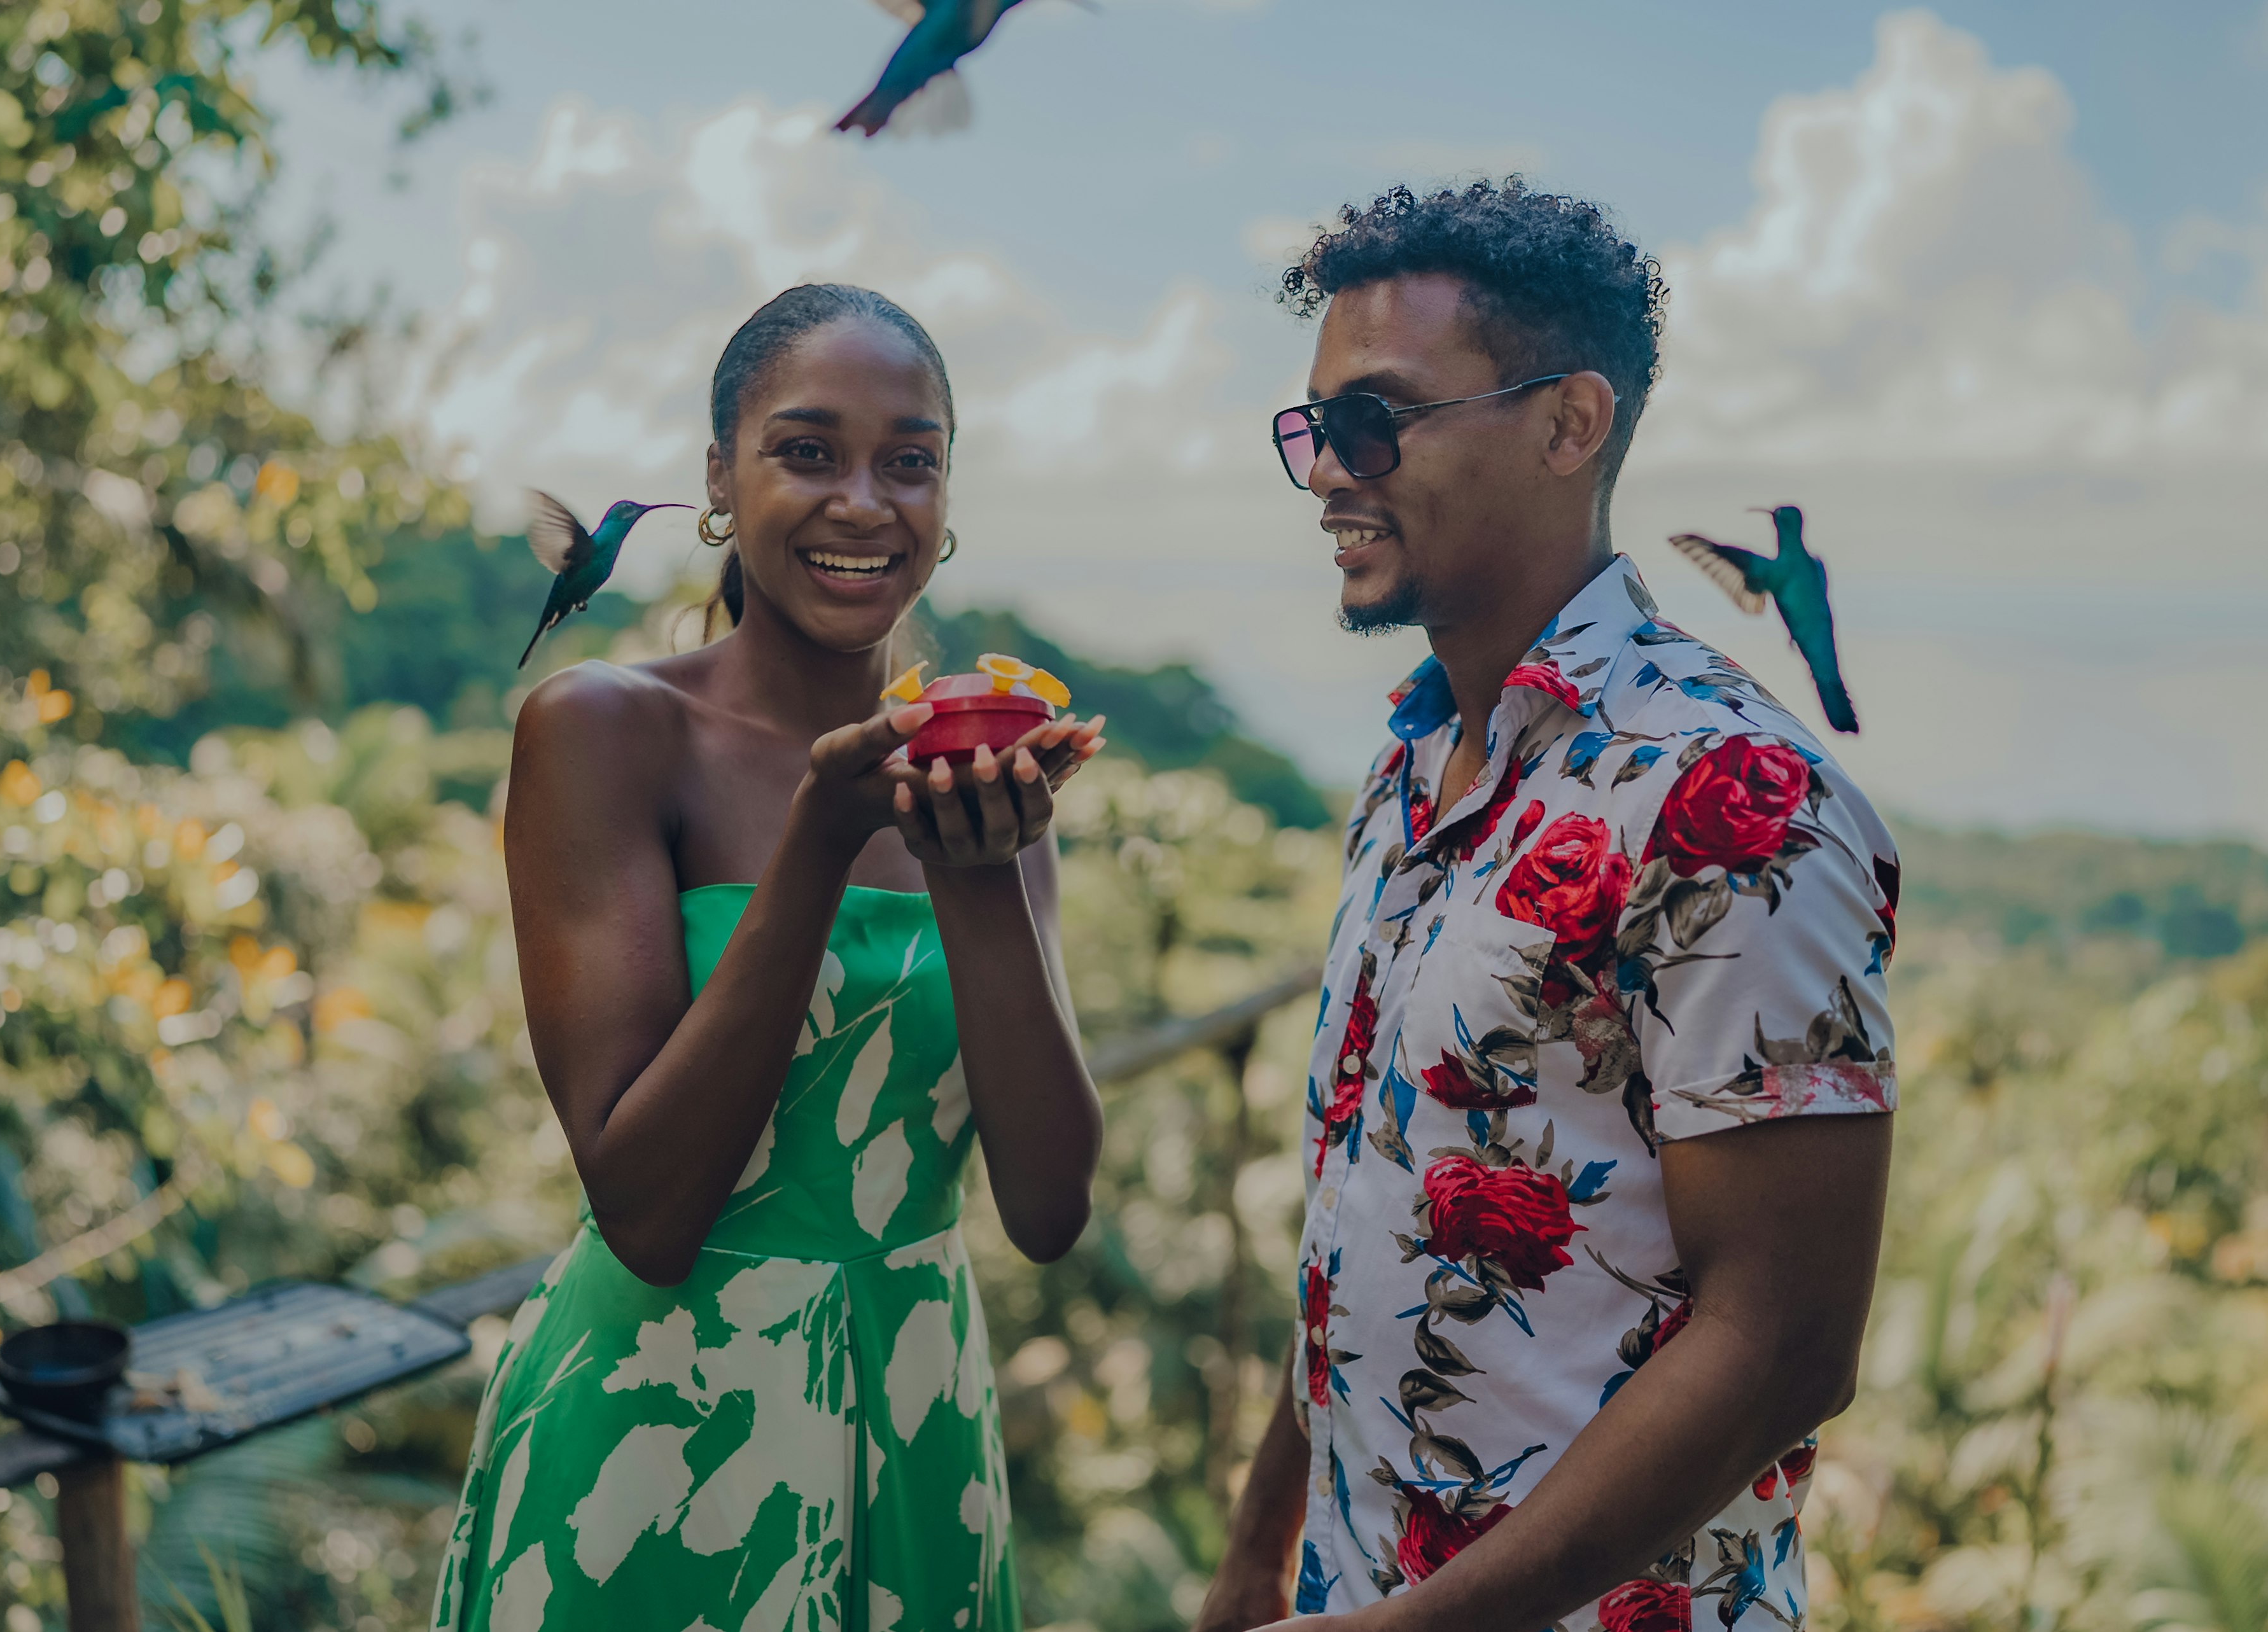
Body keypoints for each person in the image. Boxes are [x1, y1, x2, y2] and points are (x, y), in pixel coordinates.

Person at [1195, 183, 1900, 1632]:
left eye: (1374, 422)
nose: (1328, 471)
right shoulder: (1411, 760)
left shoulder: (1727, 793)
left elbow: (1785, 1338)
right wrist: (1262, 1551)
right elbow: (1362, 1200)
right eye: (1313, 428)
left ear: (1570, 423)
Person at [431, 284, 1105, 1632]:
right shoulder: (606, 729)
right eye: (808, 451)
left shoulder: (985, 761)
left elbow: (1045, 1207)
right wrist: (816, 842)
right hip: (657, 1435)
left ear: (947, 500)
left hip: (915, 1416)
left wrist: (978, 874)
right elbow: (650, 1208)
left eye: (909, 462)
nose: (865, 501)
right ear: (720, 485)